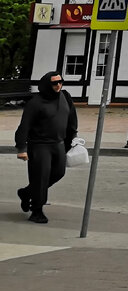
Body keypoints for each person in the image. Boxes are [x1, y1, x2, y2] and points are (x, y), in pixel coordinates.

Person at [15, 72, 77, 224]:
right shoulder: (35, 103)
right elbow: (24, 126)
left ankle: (26, 192)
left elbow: (71, 119)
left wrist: (73, 138)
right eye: (54, 83)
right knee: (40, 178)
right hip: (40, 146)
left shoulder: (65, 97)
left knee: (59, 172)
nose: (58, 85)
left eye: (60, 82)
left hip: (59, 144)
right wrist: (22, 148)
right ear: (46, 85)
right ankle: (37, 211)